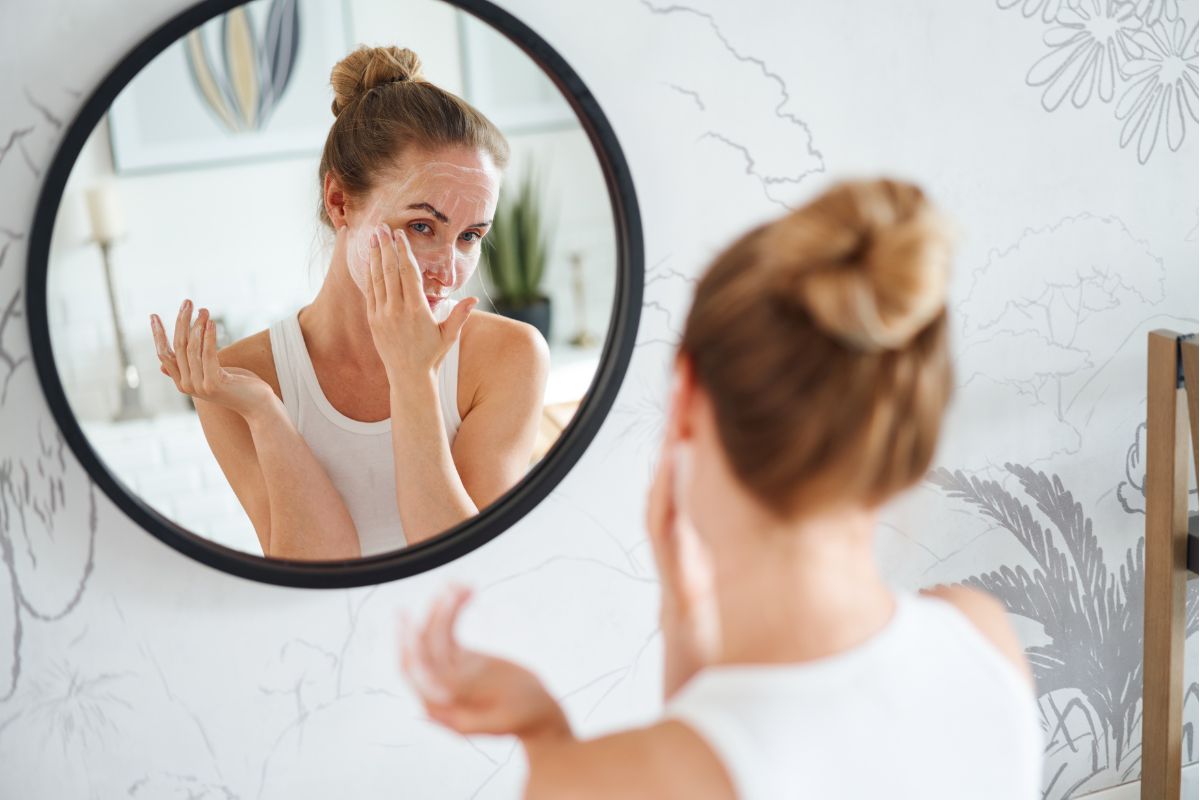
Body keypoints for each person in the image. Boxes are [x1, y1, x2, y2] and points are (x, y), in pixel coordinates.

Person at [400, 179, 1043, 798]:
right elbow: (732, 743)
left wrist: (548, 740)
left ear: (684, 401)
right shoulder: (981, 636)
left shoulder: (608, 783)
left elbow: (717, 756)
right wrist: (685, 618)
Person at [148, 46, 549, 560]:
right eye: (421, 226)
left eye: (470, 236)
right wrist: (267, 415)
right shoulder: (239, 377)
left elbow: (464, 562)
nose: (449, 271)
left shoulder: (510, 356)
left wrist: (412, 376)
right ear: (340, 202)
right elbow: (314, 568)